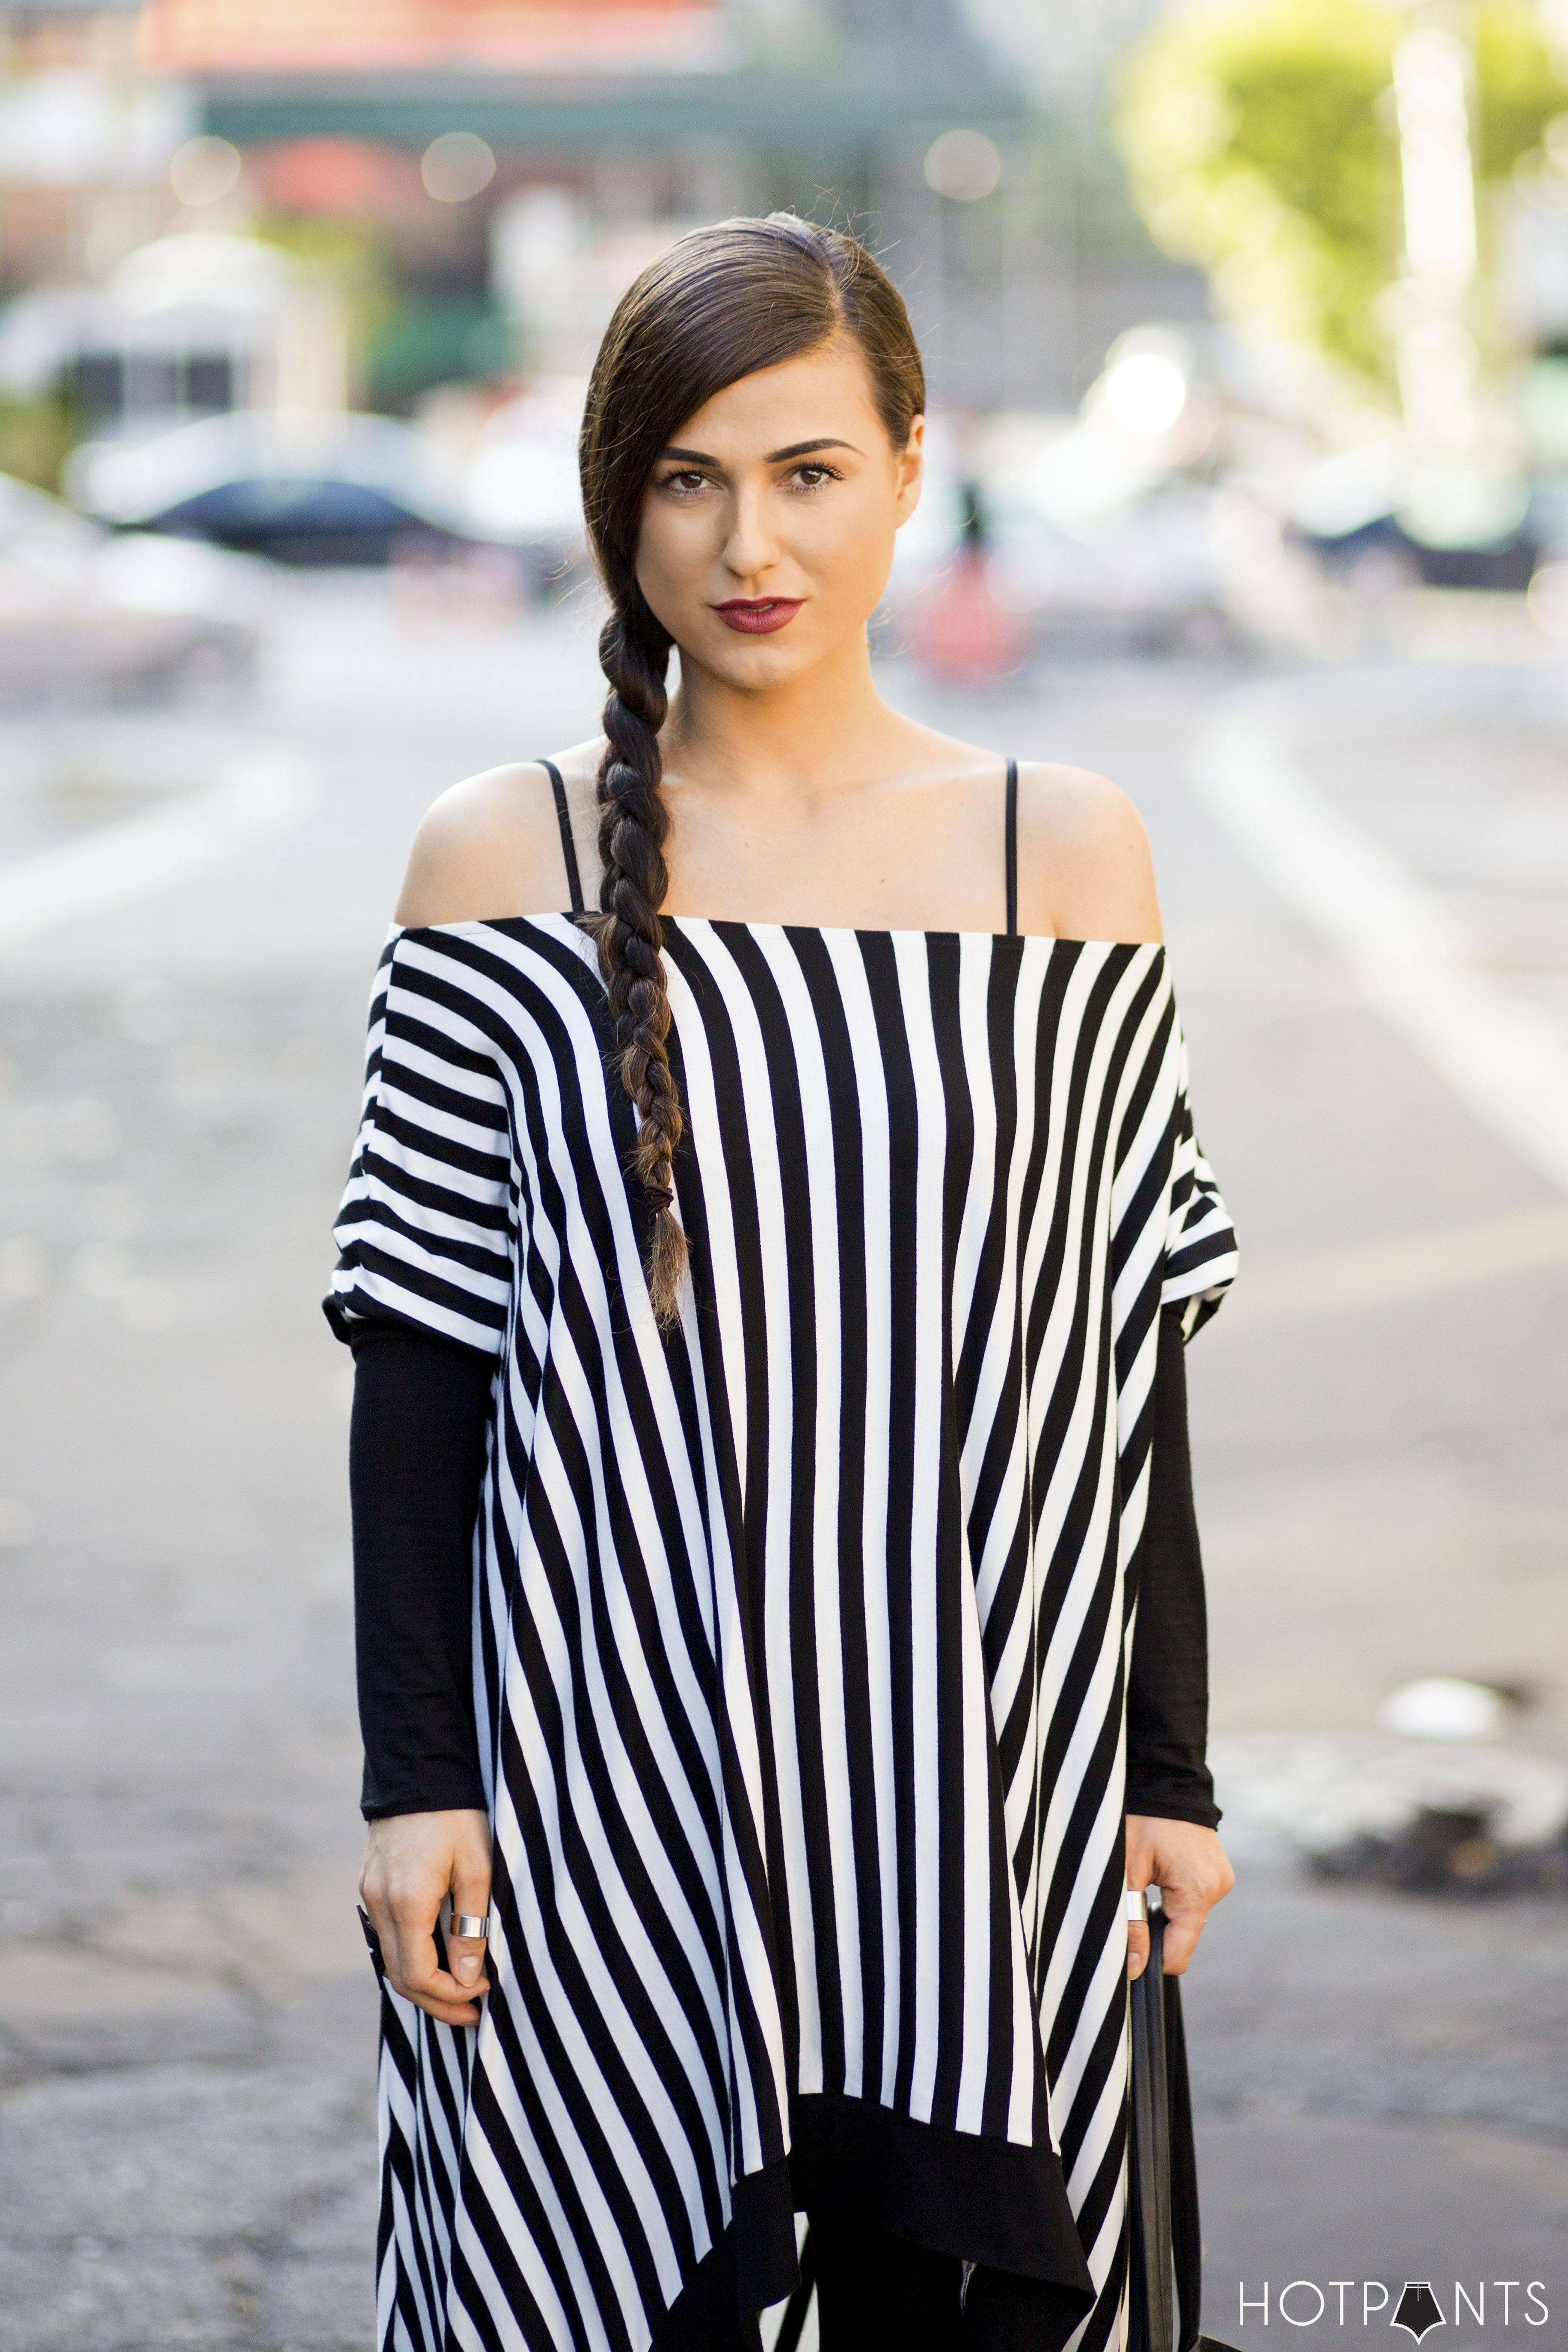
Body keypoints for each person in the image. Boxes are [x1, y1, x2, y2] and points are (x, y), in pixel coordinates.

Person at [328, 214, 1238, 2352]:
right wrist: (414, 1779)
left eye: (813, 471)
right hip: (605, 1795)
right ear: (615, 497)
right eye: (689, 477)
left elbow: (1135, 1341)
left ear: (913, 469)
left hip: (984, 1796)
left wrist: (1168, 1768)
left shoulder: (1060, 849)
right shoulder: (500, 861)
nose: (754, 541)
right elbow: (422, 1360)